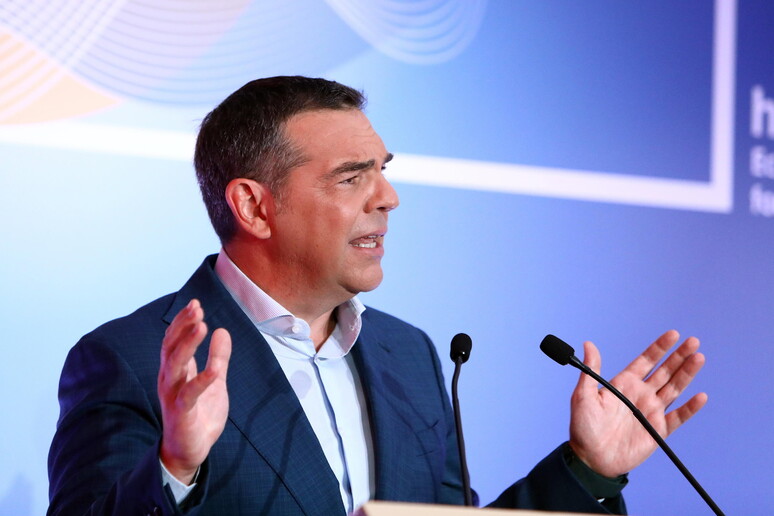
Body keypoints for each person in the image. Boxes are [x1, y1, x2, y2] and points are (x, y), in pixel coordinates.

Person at [48, 76, 707, 515]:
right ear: (253, 206)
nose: (388, 198)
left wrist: (587, 470)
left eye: (383, 172)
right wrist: (175, 467)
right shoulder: (133, 359)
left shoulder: (406, 354)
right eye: (351, 177)